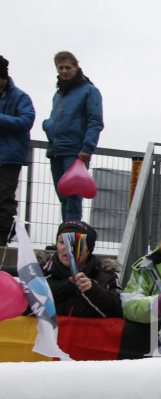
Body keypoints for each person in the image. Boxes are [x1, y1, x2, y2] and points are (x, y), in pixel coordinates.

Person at [41, 51, 103, 223]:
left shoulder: (89, 91)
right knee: (63, 195)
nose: (64, 71)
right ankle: (65, 236)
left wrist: (87, 148)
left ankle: (72, 236)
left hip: (75, 152)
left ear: (76, 67)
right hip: (56, 150)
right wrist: (47, 125)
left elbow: (95, 122)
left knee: (73, 197)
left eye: (68, 67)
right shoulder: (59, 94)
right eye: (60, 68)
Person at [41, 221, 122, 318]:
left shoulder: (106, 277)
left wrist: (93, 291)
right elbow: (24, 308)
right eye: (63, 242)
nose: (69, 248)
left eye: (77, 243)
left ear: (88, 250)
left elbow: (118, 311)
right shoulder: (39, 274)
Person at [0, 55, 35, 246]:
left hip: (9, 157)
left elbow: (26, 121)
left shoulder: (21, 97)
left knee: (4, 198)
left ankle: (2, 237)